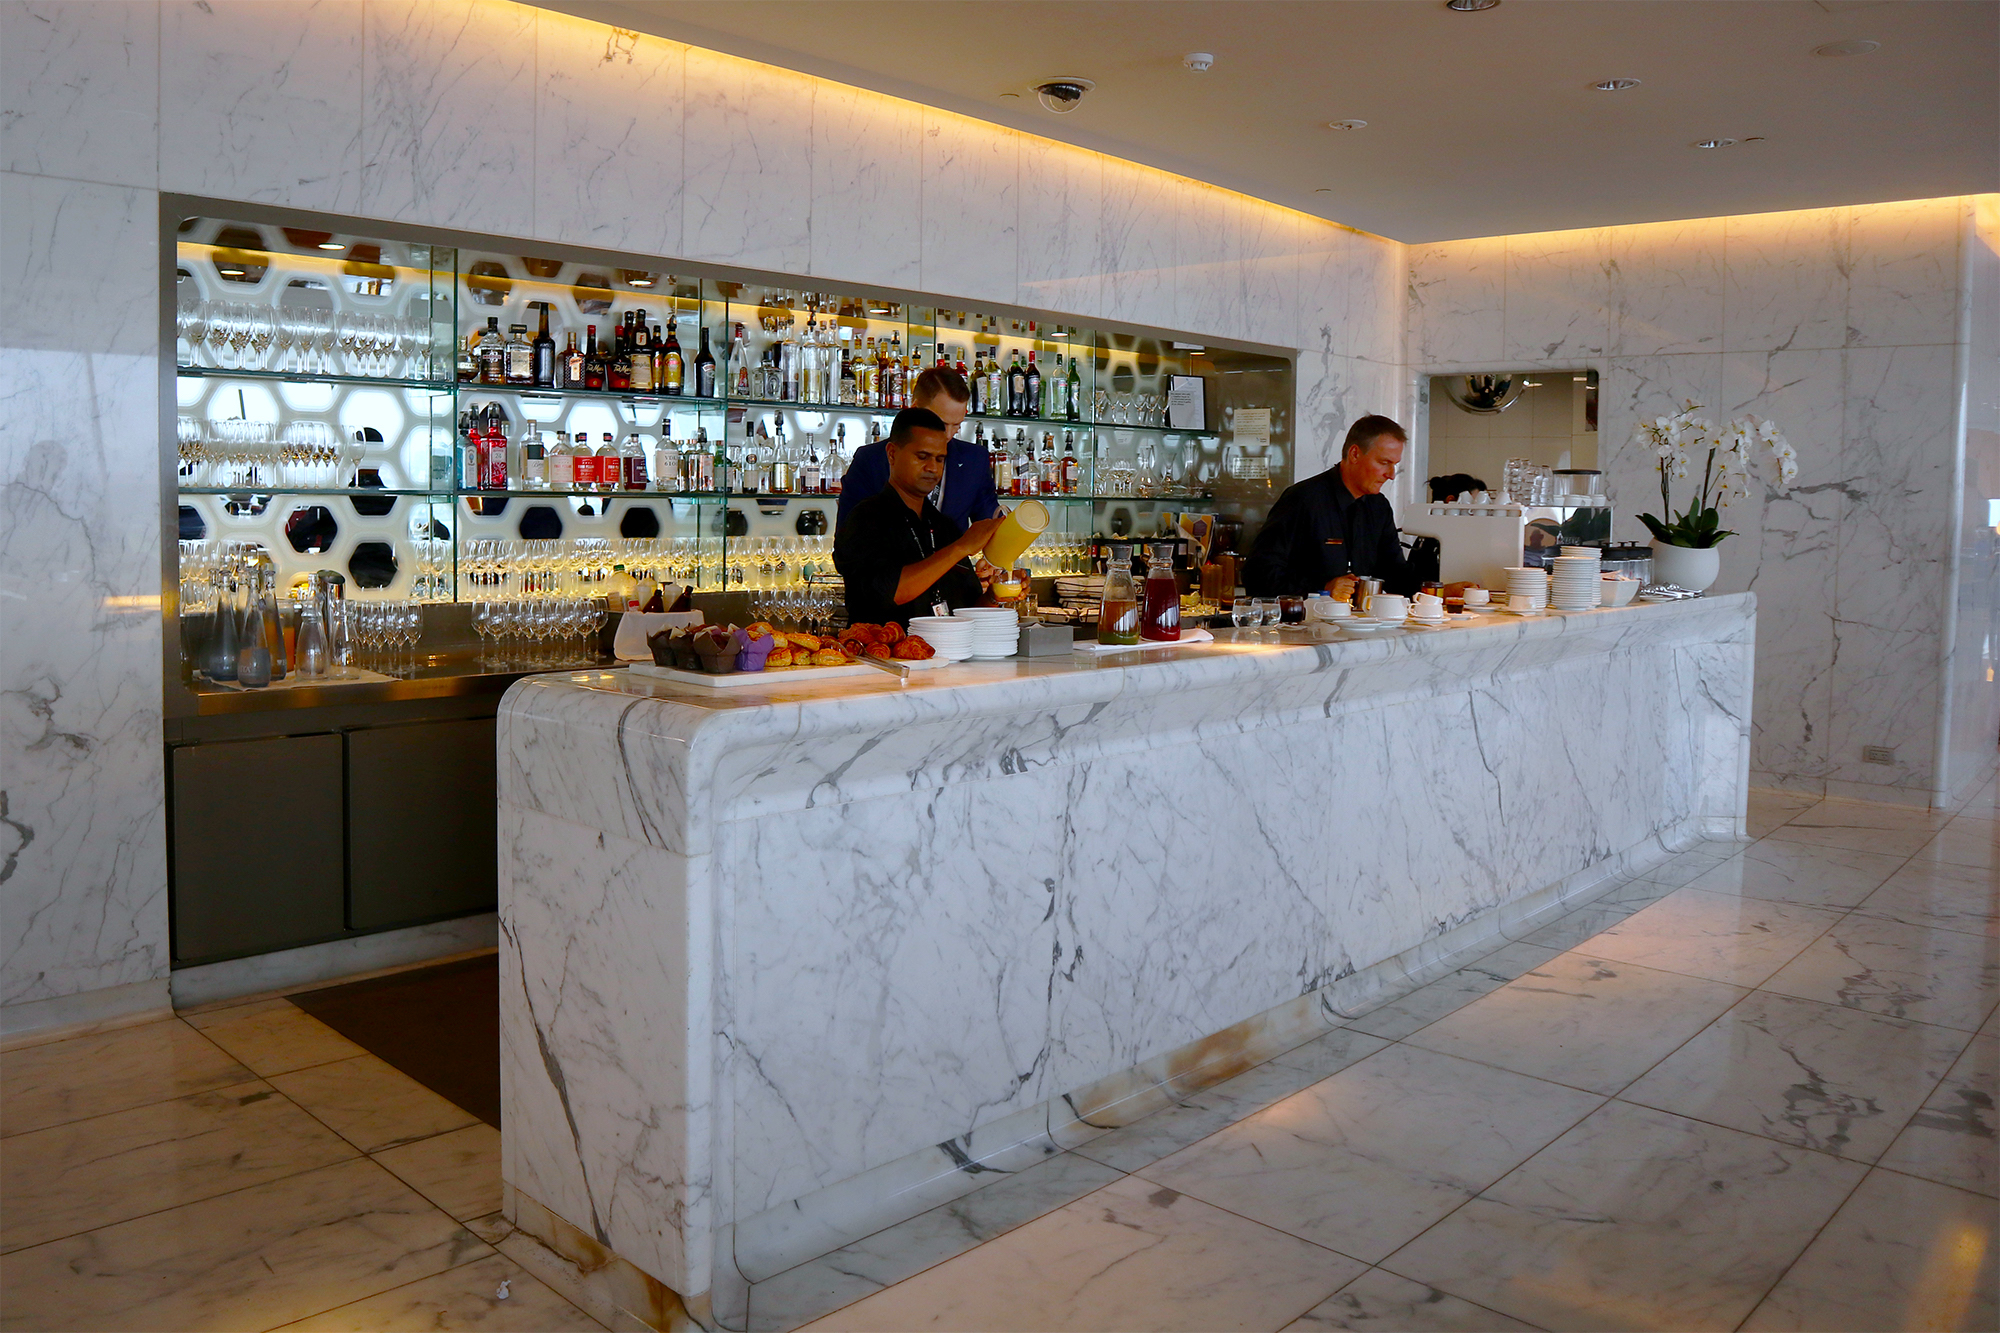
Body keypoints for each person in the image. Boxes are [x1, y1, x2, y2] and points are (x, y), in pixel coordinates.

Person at [1243, 414, 1467, 602]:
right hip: (1300, 628)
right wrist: (1322, 589)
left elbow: (1395, 574)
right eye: (1384, 463)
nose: (1390, 475)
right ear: (1355, 454)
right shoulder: (1303, 499)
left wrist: (1439, 593)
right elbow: (1257, 574)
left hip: (1358, 627)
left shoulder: (1378, 507)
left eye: (1394, 465)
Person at [834, 408, 1005, 627]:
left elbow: (966, 612)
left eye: (940, 459)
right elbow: (888, 592)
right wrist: (961, 548)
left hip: (946, 647)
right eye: (922, 457)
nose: (932, 468)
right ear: (892, 454)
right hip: (884, 647)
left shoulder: (944, 527)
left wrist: (994, 596)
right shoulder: (866, 519)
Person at [836, 367, 1000, 533]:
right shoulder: (870, 459)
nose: (948, 435)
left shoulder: (974, 460)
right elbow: (847, 537)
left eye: (957, 425)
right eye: (941, 424)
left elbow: (994, 527)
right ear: (915, 408)